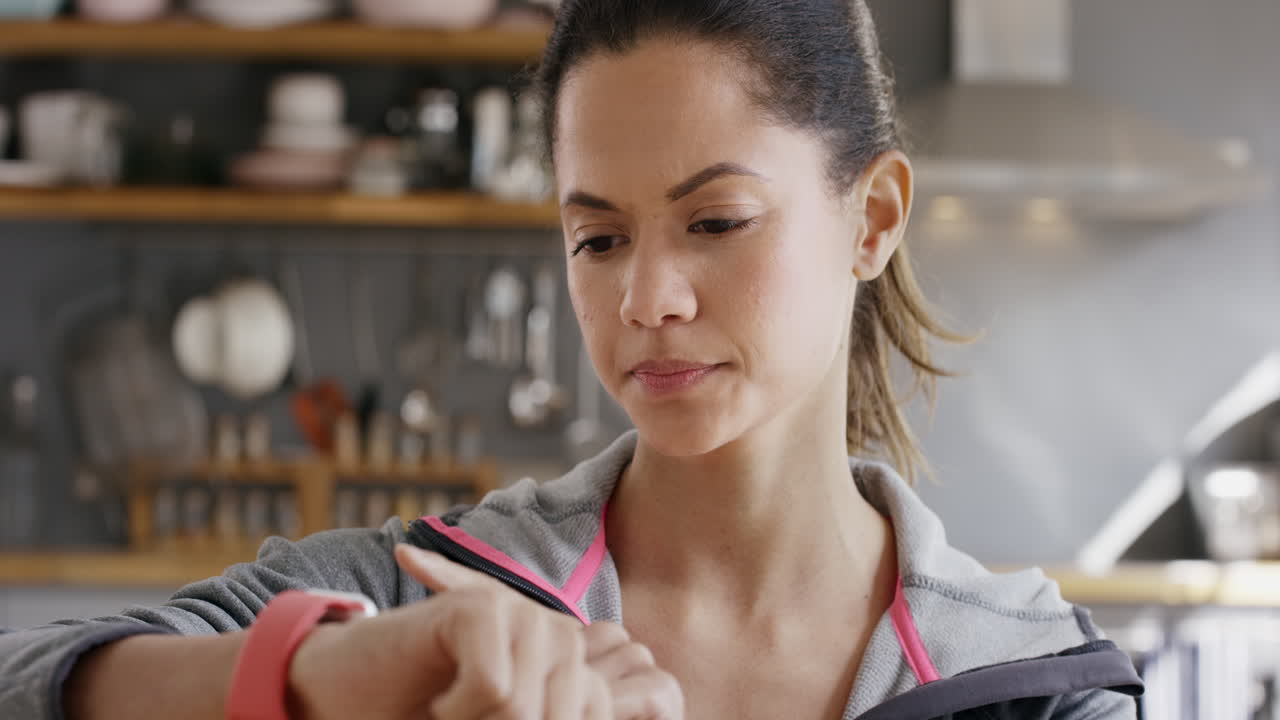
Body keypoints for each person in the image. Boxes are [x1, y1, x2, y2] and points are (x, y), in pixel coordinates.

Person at [0, 1, 1144, 718]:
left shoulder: (1035, 688)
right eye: (597, 239)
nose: (644, 299)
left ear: (873, 217)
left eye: (715, 221)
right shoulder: (415, 596)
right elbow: (30, 678)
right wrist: (320, 676)